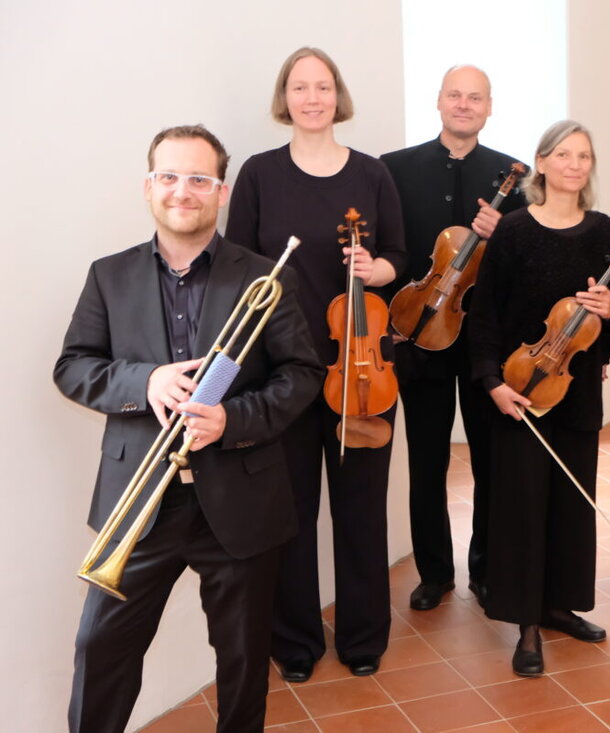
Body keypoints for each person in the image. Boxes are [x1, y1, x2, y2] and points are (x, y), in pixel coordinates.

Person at [56, 125, 323, 733]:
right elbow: (73, 367)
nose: (184, 190)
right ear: (149, 187)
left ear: (220, 192)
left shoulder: (263, 276)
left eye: (199, 179)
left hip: (240, 498)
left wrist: (233, 419)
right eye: (170, 176)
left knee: (243, 662)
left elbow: (303, 374)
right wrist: (143, 382)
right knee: (101, 653)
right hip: (137, 502)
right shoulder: (109, 275)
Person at [225, 47, 406, 682]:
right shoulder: (258, 174)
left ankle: (363, 638)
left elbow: (398, 259)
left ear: (337, 96)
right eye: (299, 87)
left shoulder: (373, 175)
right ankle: (295, 642)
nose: (311, 97)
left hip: (361, 369)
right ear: (286, 97)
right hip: (284, 371)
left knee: (361, 509)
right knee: (293, 513)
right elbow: (237, 267)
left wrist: (374, 268)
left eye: (322, 86)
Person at [467, 120, 610, 677]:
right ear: (541, 162)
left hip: (577, 388)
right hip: (521, 388)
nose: (574, 164)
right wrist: (492, 383)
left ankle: (560, 606)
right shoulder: (513, 231)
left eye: (584, 155)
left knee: (570, 503)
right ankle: (526, 625)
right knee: (522, 506)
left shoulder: (605, 232)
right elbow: (484, 316)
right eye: (564, 154)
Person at [380, 65, 524, 611]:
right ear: (439, 102)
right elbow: (393, 254)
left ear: (489, 107)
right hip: (420, 336)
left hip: (484, 340)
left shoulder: (516, 176)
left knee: (489, 460)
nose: (464, 105)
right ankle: (435, 572)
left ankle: (485, 570)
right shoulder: (394, 170)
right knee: (427, 460)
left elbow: (520, 265)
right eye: (455, 95)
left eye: (476, 98)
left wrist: (502, 229)